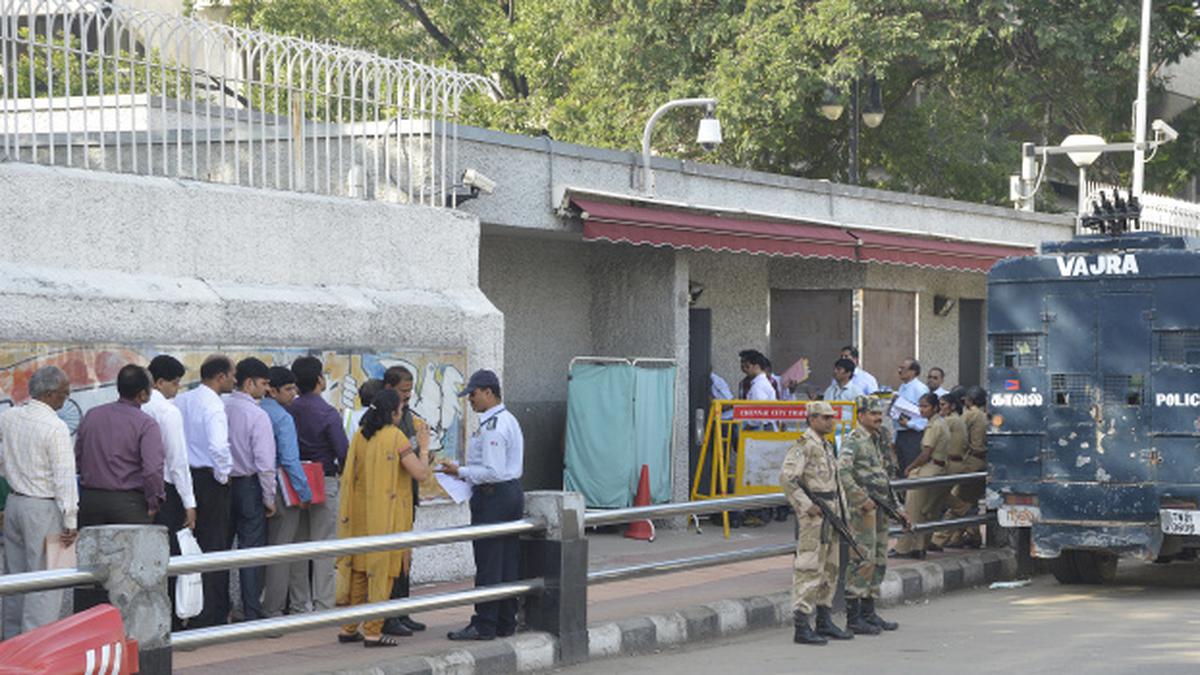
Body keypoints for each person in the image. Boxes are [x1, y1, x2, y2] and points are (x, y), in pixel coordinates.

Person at [335, 389, 430, 647]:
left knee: (358, 570)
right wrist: (423, 448)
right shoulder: (396, 437)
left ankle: (348, 627)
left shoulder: (360, 436)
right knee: (382, 571)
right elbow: (420, 473)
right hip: (386, 517)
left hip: (359, 515)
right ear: (393, 412)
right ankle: (374, 632)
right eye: (401, 409)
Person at [73, 364, 166, 611]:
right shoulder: (146, 425)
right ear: (143, 395)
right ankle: (127, 634)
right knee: (132, 574)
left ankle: (87, 630)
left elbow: (78, 456)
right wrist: (154, 501)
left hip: (91, 501)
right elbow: (153, 470)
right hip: (129, 505)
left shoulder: (92, 415)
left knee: (89, 574)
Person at [442, 370, 524, 641]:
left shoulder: (494, 426)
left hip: (495, 496)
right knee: (506, 561)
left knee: (490, 562)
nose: (470, 400)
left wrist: (460, 471)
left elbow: (492, 470)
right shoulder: (505, 419)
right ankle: (504, 621)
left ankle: (485, 623)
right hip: (507, 493)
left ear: (488, 392)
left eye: (473, 394)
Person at [0, 366, 77, 638]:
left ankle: (11, 644)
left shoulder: (8, 418)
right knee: (47, 582)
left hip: (14, 504)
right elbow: (65, 478)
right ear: (49, 394)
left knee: (15, 578)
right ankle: (37, 645)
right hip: (44, 507)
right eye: (63, 395)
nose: (65, 400)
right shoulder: (55, 427)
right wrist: (71, 519)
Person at [781, 401, 852, 645]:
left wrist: (844, 515)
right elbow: (788, 478)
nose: (831, 421)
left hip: (831, 513)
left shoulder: (826, 445)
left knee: (830, 568)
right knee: (809, 567)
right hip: (815, 515)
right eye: (825, 418)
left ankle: (824, 618)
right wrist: (804, 504)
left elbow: (836, 483)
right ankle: (802, 624)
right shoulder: (804, 445)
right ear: (812, 419)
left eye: (832, 417)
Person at [175, 354, 236, 627]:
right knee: (214, 548)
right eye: (232, 375)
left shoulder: (184, 400)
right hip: (209, 480)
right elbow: (218, 447)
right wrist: (223, 476)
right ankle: (208, 617)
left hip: (186, 479)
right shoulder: (214, 405)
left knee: (188, 547)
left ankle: (188, 613)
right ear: (220, 376)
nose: (234, 380)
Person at [837, 396, 903, 634]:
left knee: (878, 560)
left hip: (880, 508)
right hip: (862, 510)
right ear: (861, 415)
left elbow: (883, 477)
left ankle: (869, 612)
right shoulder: (854, 440)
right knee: (862, 560)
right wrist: (860, 499)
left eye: (880, 414)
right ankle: (854, 619)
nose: (878, 418)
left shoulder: (877, 439)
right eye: (873, 414)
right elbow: (842, 472)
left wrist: (898, 508)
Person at [288, 356, 348, 613]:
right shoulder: (327, 413)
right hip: (323, 478)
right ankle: (324, 604)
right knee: (324, 545)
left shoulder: (289, 410)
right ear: (319, 380)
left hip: (293, 479)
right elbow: (343, 451)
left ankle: (299, 604)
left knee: (297, 545)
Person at [225, 357, 278, 621]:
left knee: (219, 551)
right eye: (264, 383)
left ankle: (219, 609)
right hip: (248, 485)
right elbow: (265, 463)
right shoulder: (257, 415)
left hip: (220, 486)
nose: (266, 389)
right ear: (249, 383)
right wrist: (269, 497)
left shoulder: (220, 406)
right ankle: (251, 611)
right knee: (251, 551)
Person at [380, 366, 432, 636]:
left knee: (405, 557)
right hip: (390, 499)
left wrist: (425, 456)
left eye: (411, 391)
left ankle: (402, 611)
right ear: (389, 389)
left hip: (407, 495)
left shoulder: (409, 417)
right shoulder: (385, 421)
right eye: (403, 391)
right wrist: (421, 453)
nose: (407, 396)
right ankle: (388, 616)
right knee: (391, 558)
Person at [262, 366, 313, 619]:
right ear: (272, 389)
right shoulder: (283, 418)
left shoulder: (255, 410)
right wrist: (304, 493)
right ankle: (273, 609)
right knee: (281, 552)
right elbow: (291, 461)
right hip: (281, 491)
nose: (293, 394)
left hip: (255, 488)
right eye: (288, 389)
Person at [891, 392, 949, 560]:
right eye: (920, 406)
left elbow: (925, 453)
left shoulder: (934, 426)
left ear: (935, 407)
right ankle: (919, 547)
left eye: (925, 406)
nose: (921, 410)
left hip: (930, 467)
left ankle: (904, 548)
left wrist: (910, 467)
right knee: (925, 511)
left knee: (912, 510)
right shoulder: (940, 423)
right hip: (938, 467)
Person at [938, 386, 988, 549]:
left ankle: (938, 539)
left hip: (971, 461)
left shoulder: (969, 415)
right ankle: (970, 536)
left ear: (969, 400)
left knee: (957, 501)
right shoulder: (985, 415)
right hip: (982, 462)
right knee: (969, 500)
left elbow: (959, 435)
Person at [927, 393, 966, 552]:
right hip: (955, 463)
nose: (940, 408)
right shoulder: (955, 419)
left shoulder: (948, 421)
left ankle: (936, 539)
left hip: (951, 464)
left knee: (938, 497)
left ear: (952, 406)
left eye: (943, 405)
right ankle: (971, 530)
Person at [892, 359, 930, 475]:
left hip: (913, 434)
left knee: (911, 469)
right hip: (901, 432)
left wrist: (909, 424)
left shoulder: (920, 389)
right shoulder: (902, 387)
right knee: (901, 467)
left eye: (903, 368)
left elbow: (925, 416)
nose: (899, 371)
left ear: (913, 372)